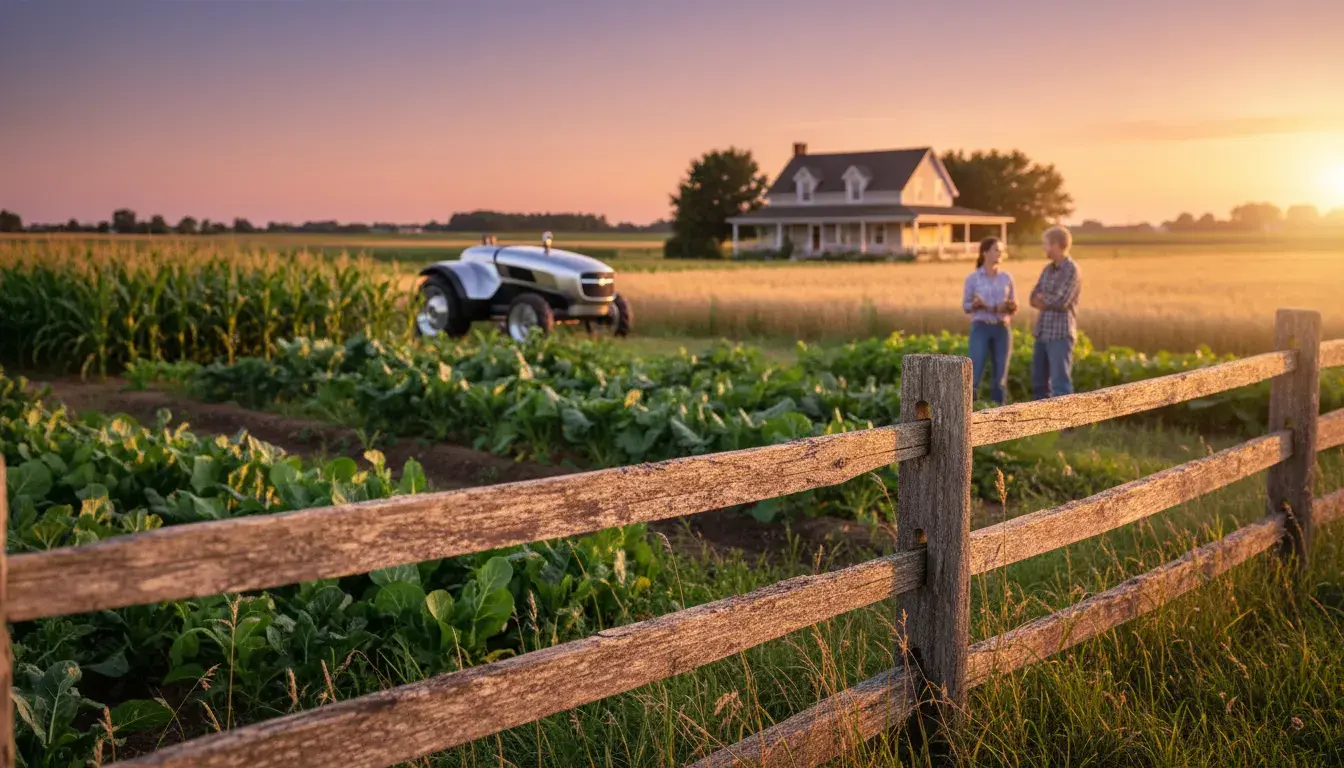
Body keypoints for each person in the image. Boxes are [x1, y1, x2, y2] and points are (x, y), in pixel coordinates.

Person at [962, 237, 1017, 405]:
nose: (1000, 253)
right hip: (981, 328)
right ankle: (967, 415)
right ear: (985, 253)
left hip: (1002, 329)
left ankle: (999, 419)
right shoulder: (972, 278)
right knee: (974, 374)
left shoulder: (1007, 278)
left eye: (1001, 250)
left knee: (1000, 379)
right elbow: (966, 306)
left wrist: (1009, 306)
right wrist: (977, 304)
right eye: (996, 250)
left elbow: (1015, 306)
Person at [1029, 225, 1082, 399]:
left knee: (1061, 384)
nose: (1044, 248)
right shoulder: (1047, 269)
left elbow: (1062, 301)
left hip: (1060, 334)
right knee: (1039, 383)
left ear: (1057, 245)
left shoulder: (1071, 269)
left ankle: (1066, 426)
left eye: (1046, 244)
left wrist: (1043, 299)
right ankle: (1041, 425)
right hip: (1042, 332)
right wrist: (1045, 298)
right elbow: (1032, 297)